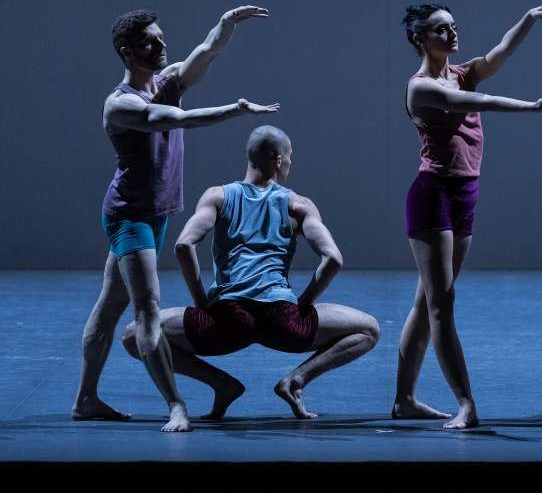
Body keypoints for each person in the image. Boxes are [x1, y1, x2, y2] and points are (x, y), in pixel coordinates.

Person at [72, 6, 279, 432]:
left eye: (162, 37)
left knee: (111, 305)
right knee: (147, 309)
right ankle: (177, 405)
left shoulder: (166, 81)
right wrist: (234, 110)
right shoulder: (121, 104)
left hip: (155, 212)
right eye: (150, 41)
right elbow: (172, 119)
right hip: (129, 217)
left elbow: (205, 52)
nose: (161, 45)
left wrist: (226, 25)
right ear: (127, 53)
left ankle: (86, 400)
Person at [392, 3, 542, 429]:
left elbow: (499, 54)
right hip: (432, 194)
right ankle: (466, 403)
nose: (452, 34)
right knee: (442, 305)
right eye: (440, 30)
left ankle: (404, 400)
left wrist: (527, 18)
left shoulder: (461, 71)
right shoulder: (420, 87)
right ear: (420, 38)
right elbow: (479, 101)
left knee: (428, 300)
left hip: (464, 194)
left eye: (454, 26)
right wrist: (530, 108)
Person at [122, 125, 379, 420]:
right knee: (369, 329)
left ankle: (221, 383)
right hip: (284, 322)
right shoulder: (299, 204)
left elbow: (183, 245)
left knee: (135, 335)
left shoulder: (217, 196)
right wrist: (304, 302)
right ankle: (296, 380)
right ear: (278, 159)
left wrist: (202, 301)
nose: (290, 163)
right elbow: (333, 259)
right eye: (290, 157)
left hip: (225, 323)